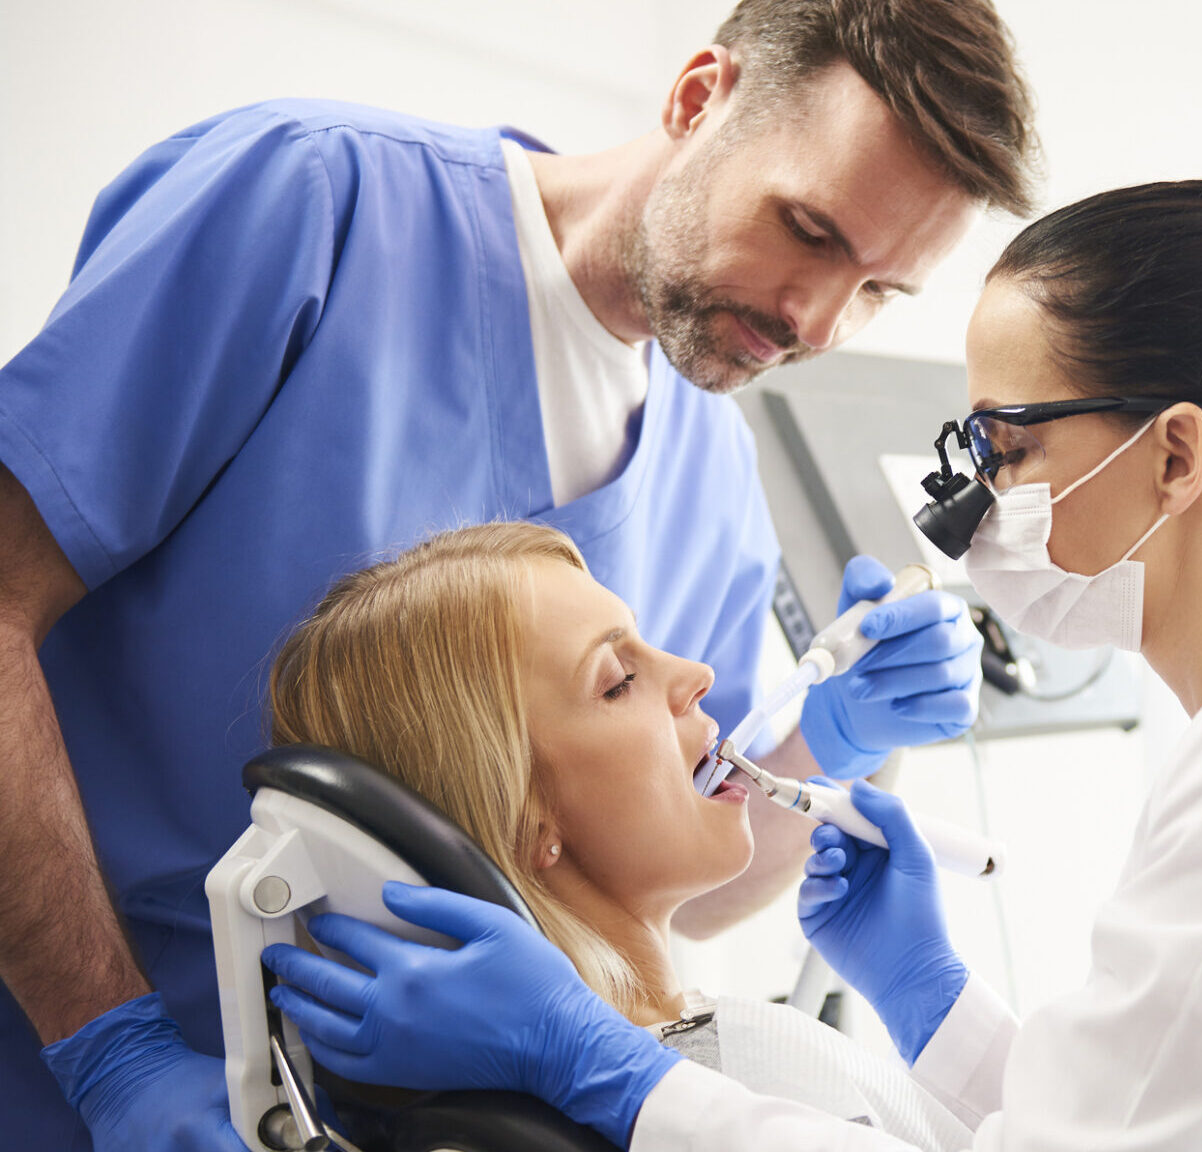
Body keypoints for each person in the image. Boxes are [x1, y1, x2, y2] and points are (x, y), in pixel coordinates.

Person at [263, 179, 1202, 1150]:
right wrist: (929, 993)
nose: (967, 498)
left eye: (1004, 446)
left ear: (1175, 455)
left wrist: (607, 1070)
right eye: (618, 679)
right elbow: (1111, 1119)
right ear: (526, 814)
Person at [0, 0, 1035, 1146]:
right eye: (807, 228)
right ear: (699, 99)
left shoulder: (710, 471)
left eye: (882, 291)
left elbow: (675, 879)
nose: (817, 320)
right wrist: (106, 1046)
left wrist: (822, 745)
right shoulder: (316, 209)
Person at [260, 521, 970, 1149]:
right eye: (618, 680)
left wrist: (931, 1002)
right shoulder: (646, 1096)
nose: (698, 675)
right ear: (524, 822)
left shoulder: (678, 1075)